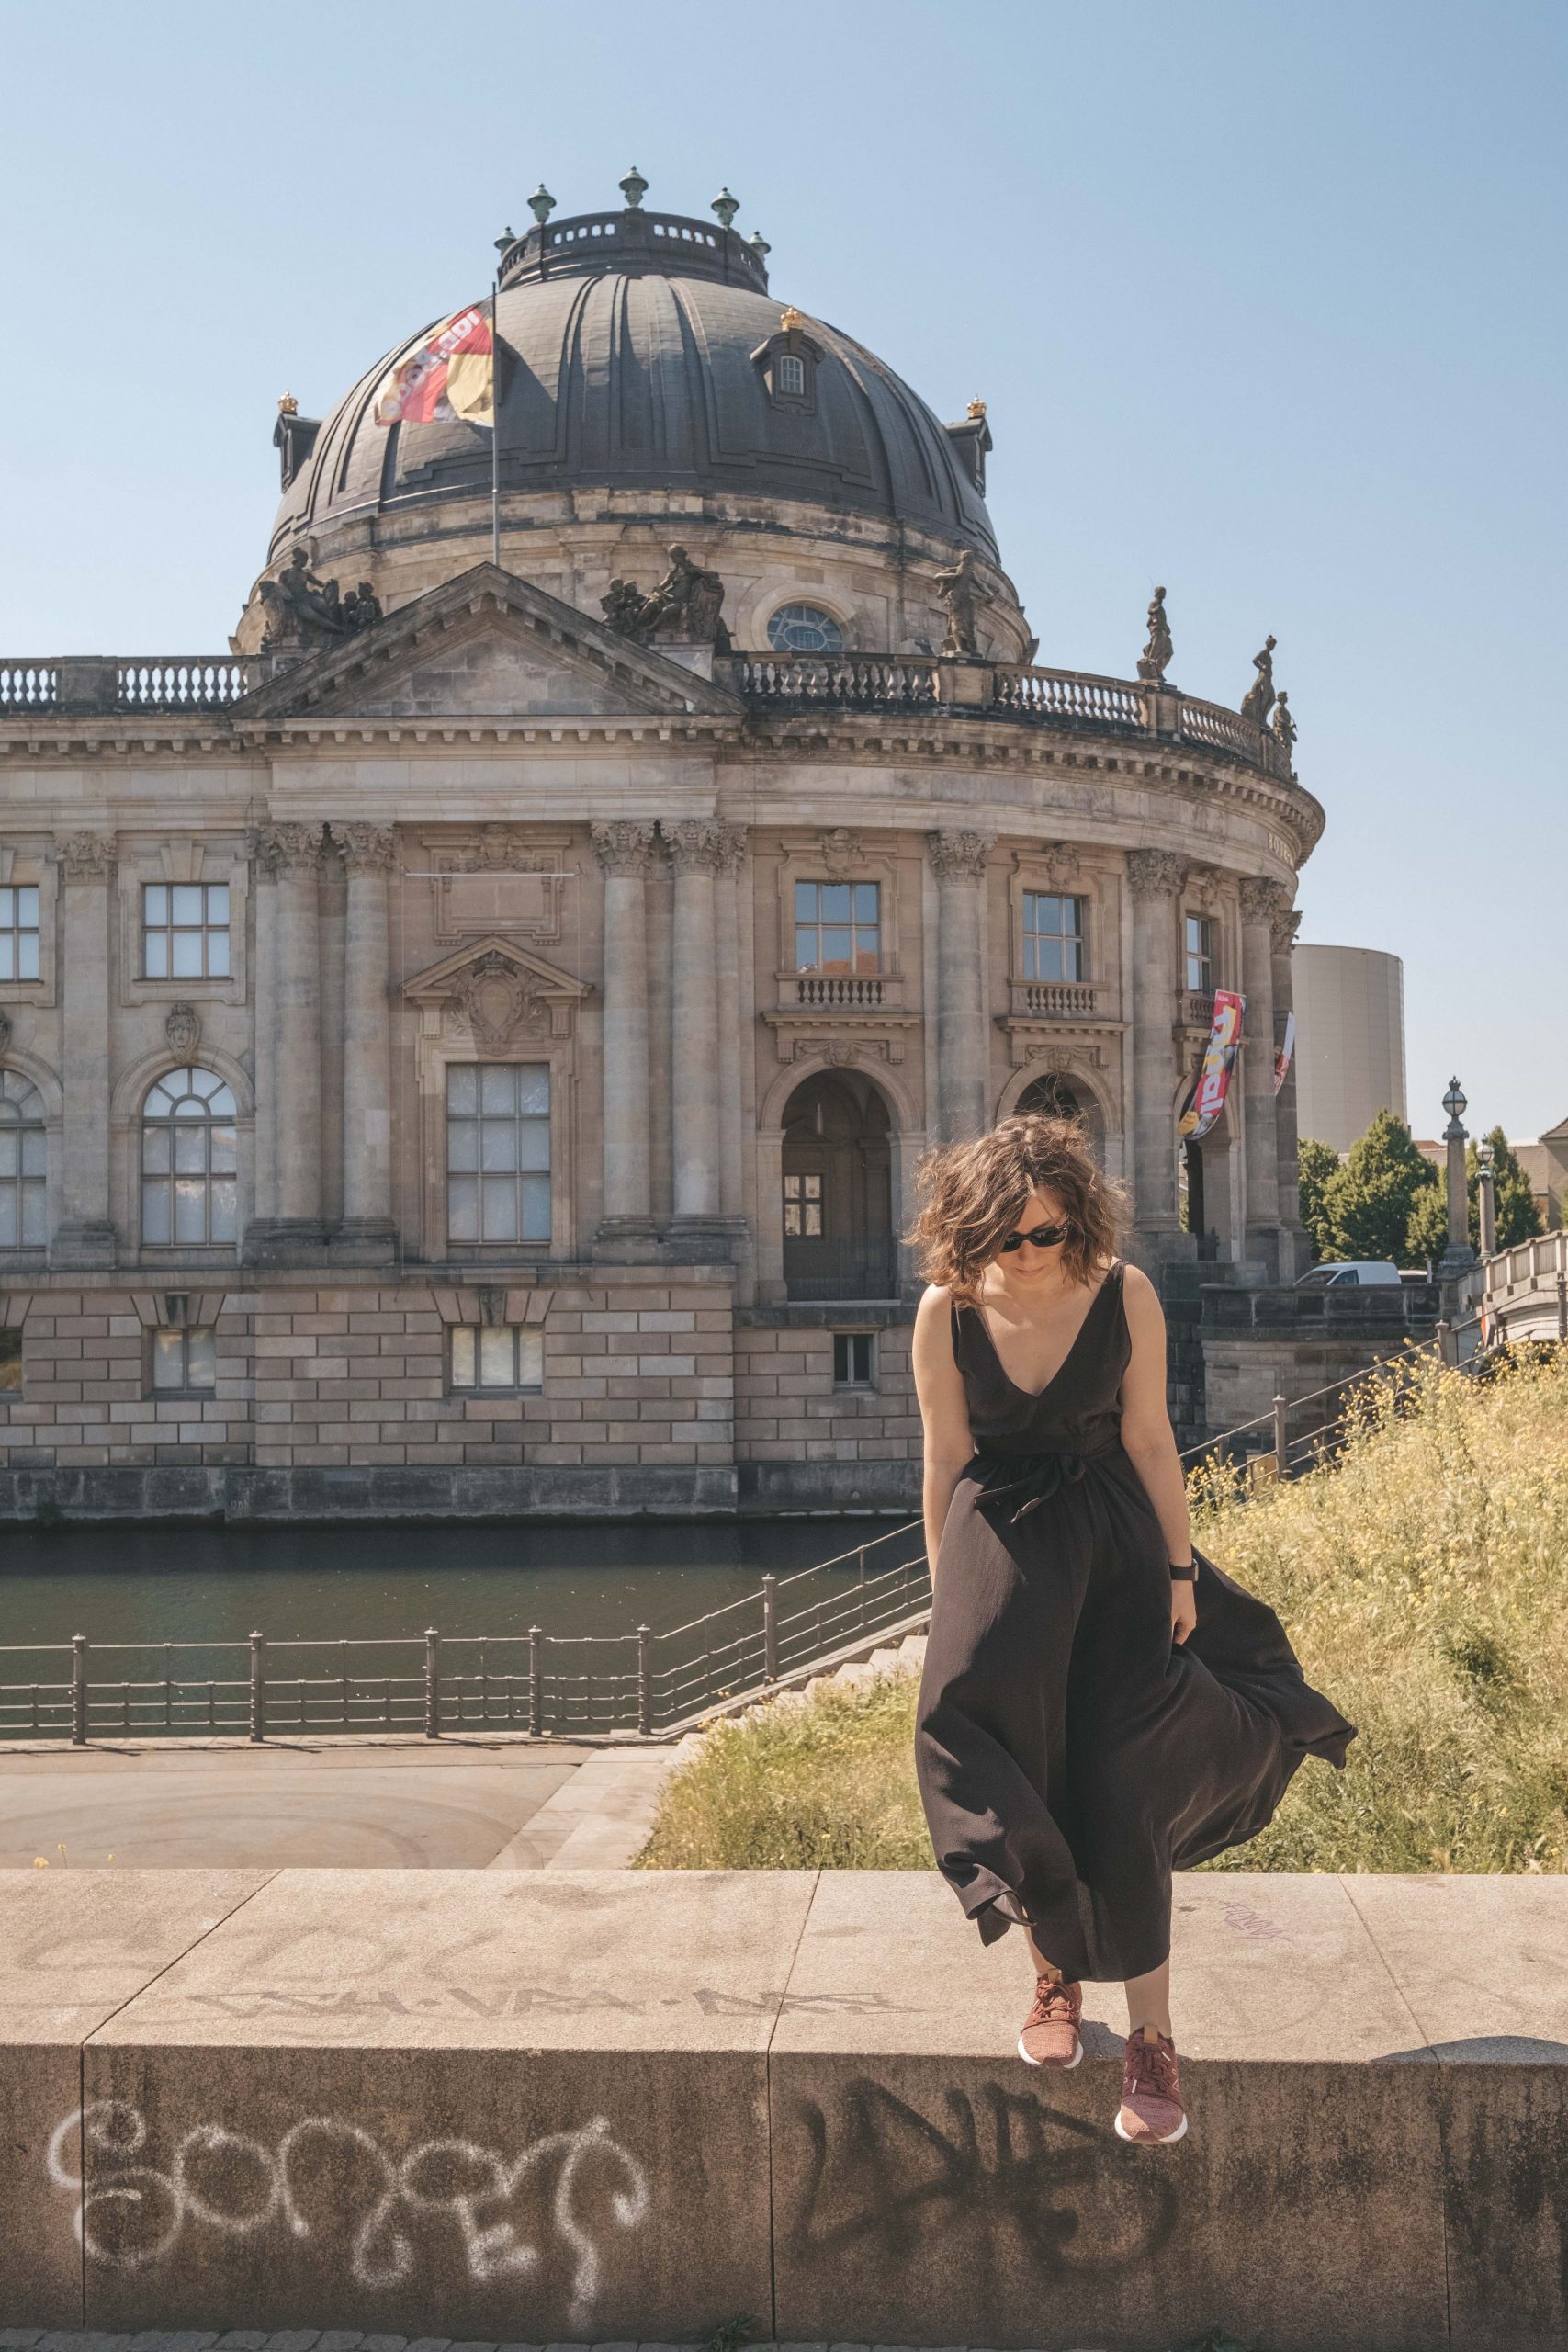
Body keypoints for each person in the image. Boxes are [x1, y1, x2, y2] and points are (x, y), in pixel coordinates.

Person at [909, 1114, 1353, 2145]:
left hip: (1112, 1546)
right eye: (1007, 1237)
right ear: (972, 1229)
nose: (1027, 1255)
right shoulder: (946, 1309)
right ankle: (1054, 1977)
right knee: (997, 1754)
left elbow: (1153, 1440)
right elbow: (942, 1462)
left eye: (1048, 1234)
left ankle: (1153, 2042)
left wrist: (1181, 1566)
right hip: (999, 1546)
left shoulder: (1125, 1293)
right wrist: (947, 1598)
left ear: (1081, 1221)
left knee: (1121, 1777)